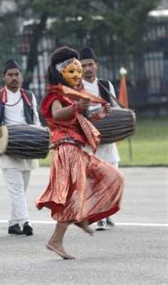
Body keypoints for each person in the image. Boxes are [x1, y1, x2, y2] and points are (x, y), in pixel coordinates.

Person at [36, 46, 124, 259]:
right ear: (62, 70)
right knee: (72, 194)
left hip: (76, 148)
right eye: (73, 66)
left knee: (112, 176)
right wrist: (77, 106)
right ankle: (57, 239)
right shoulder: (55, 93)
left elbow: (80, 122)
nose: (78, 70)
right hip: (66, 149)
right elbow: (57, 115)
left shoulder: (69, 93)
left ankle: (82, 215)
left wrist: (100, 114)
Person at [0, 59, 41, 236]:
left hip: (26, 148)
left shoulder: (29, 96)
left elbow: (35, 121)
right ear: (4, 77)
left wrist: (40, 136)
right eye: (10, 75)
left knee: (21, 190)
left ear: (21, 76)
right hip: (7, 149)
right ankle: (26, 222)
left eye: (16, 74)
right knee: (17, 189)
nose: (14, 78)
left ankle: (13, 223)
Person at [80, 47, 121, 231]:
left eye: (90, 64)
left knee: (113, 176)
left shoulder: (106, 85)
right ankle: (99, 218)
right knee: (95, 180)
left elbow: (114, 109)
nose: (87, 68)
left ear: (96, 65)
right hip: (90, 143)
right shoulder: (76, 88)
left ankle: (107, 214)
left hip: (108, 140)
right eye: (83, 66)